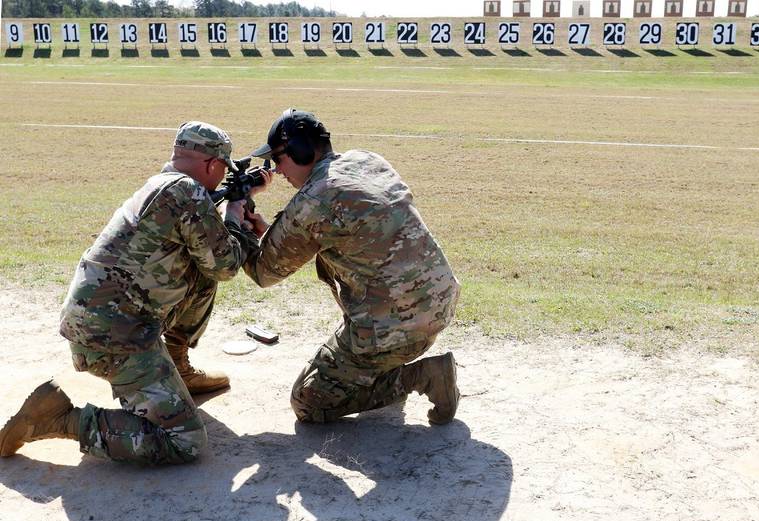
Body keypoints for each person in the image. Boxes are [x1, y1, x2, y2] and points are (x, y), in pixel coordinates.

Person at [0, 122, 263, 465]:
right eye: (221, 170)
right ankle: (57, 419)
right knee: (185, 441)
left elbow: (207, 263)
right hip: (115, 337)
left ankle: (177, 368)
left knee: (201, 276)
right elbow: (225, 265)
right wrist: (237, 218)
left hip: (104, 321)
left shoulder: (163, 186)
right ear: (213, 165)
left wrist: (234, 215)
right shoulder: (187, 192)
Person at [241, 108, 461, 425]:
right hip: (439, 302)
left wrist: (235, 220)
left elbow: (263, 272)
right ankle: (385, 367)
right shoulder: (366, 161)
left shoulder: (315, 199)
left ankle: (421, 377)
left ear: (300, 152)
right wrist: (269, 232)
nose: (278, 170)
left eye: (279, 159)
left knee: (309, 401)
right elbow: (351, 234)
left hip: (394, 328)